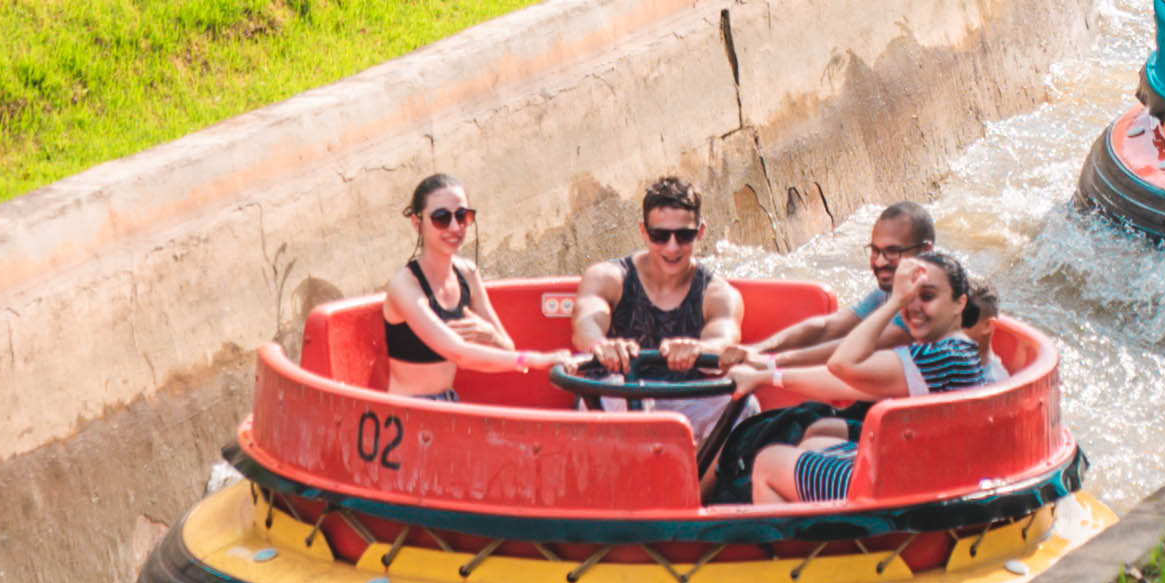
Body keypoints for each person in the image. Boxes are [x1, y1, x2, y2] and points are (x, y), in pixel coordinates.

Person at [738, 250, 1000, 504]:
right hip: (922, 475)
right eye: (910, 297)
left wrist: (896, 301)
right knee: (817, 440)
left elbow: (842, 363)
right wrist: (765, 376)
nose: (915, 307)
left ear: (960, 304)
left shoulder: (941, 357)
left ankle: (793, 549)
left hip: (904, 489)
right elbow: (843, 383)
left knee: (767, 463)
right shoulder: (949, 350)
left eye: (928, 296)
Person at [572, 176, 748, 373]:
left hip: (688, 399)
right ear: (644, 232)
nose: (672, 248)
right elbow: (586, 323)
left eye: (684, 236)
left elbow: (724, 340)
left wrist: (700, 349)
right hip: (614, 393)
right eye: (660, 236)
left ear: (700, 232)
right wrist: (599, 345)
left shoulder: (719, 295)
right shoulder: (606, 279)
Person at [385, 174, 531, 397]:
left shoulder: (467, 274)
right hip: (408, 413)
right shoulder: (404, 285)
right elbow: (460, 354)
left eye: (462, 216)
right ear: (418, 223)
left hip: (447, 404)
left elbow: (508, 352)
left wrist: (490, 335)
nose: (455, 227)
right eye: (441, 218)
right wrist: (539, 360)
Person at [743, 202, 937, 366]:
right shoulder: (890, 292)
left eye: (892, 251)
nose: (879, 262)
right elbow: (828, 327)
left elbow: (863, 345)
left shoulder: (929, 298)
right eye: (875, 251)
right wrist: (757, 349)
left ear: (926, 251)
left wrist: (770, 363)